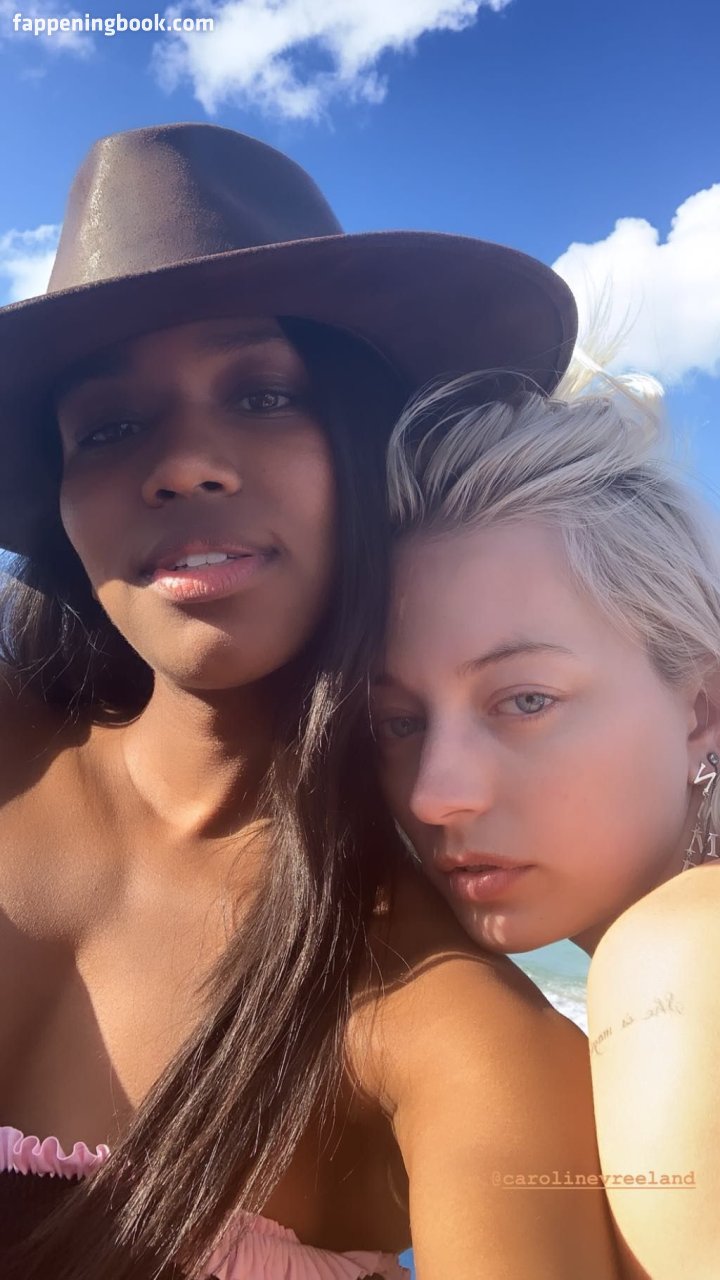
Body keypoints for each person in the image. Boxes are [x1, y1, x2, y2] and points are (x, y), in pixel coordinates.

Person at [0, 123, 619, 1280]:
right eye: (111, 425)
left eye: (264, 393)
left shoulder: (443, 1025)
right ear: (63, 504)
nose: (183, 464)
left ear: (368, 446)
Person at [375, 363, 720, 1279]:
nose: (434, 794)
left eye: (525, 699)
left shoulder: (685, 950)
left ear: (702, 708)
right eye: (398, 723)